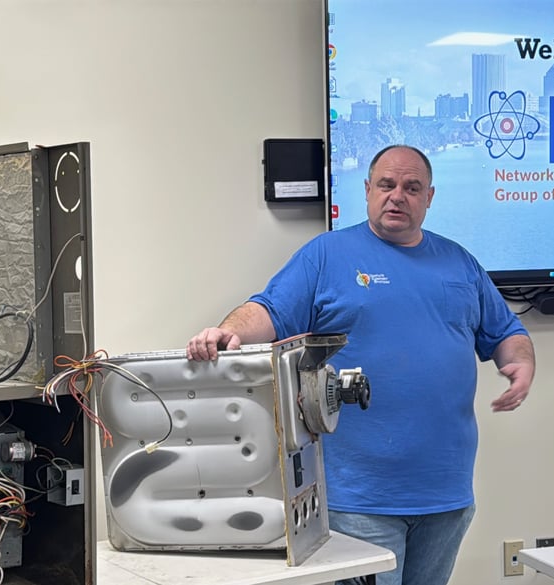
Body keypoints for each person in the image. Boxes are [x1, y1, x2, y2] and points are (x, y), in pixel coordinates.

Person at [186, 144, 535, 585]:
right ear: (367, 190)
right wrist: (226, 332)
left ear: (429, 197)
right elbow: (270, 310)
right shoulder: (327, 255)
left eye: (412, 188)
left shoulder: (460, 263)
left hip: (447, 496)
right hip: (358, 498)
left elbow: (507, 333)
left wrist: (519, 364)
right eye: (387, 185)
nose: (397, 196)